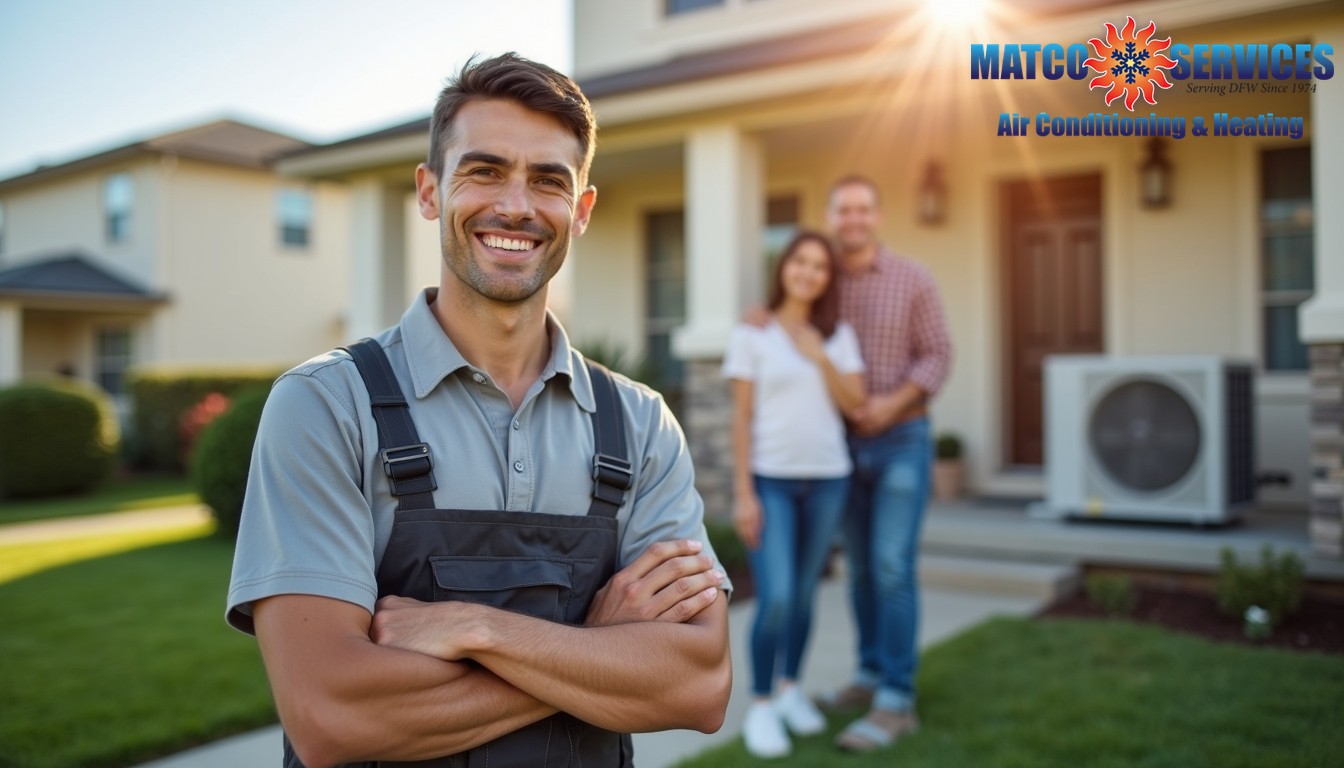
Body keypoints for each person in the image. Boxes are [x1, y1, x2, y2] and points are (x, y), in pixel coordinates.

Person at [226, 53, 732, 768]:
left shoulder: (641, 424)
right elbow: (328, 713)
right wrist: (594, 643)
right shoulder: (325, 406)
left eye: (549, 181)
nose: (517, 206)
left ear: (581, 212)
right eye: (484, 170)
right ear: (430, 191)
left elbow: (698, 684)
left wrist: (476, 630)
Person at [820, 175, 953, 753]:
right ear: (832, 217)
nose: (853, 219)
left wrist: (887, 405)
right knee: (863, 570)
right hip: (843, 447)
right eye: (844, 210)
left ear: (877, 216)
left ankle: (897, 700)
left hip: (903, 438)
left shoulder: (912, 278)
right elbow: (790, 327)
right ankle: (871, 672)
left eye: (863, 209)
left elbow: (938, 356)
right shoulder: (823, 285)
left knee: (893, 565)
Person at [722, 231, 865, 758]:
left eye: (820, 267)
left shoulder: (837, 334)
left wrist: (820, 355)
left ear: (828, 278)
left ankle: (789, 691)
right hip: (771, 482)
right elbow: (741, 416)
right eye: (800, 262)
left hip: (829, 479)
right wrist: (742, 493)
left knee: (805, 595)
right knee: (777, 596)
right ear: (784, 267)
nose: (808, 273)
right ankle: (760, 703)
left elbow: (855, 403)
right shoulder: (752, 333)